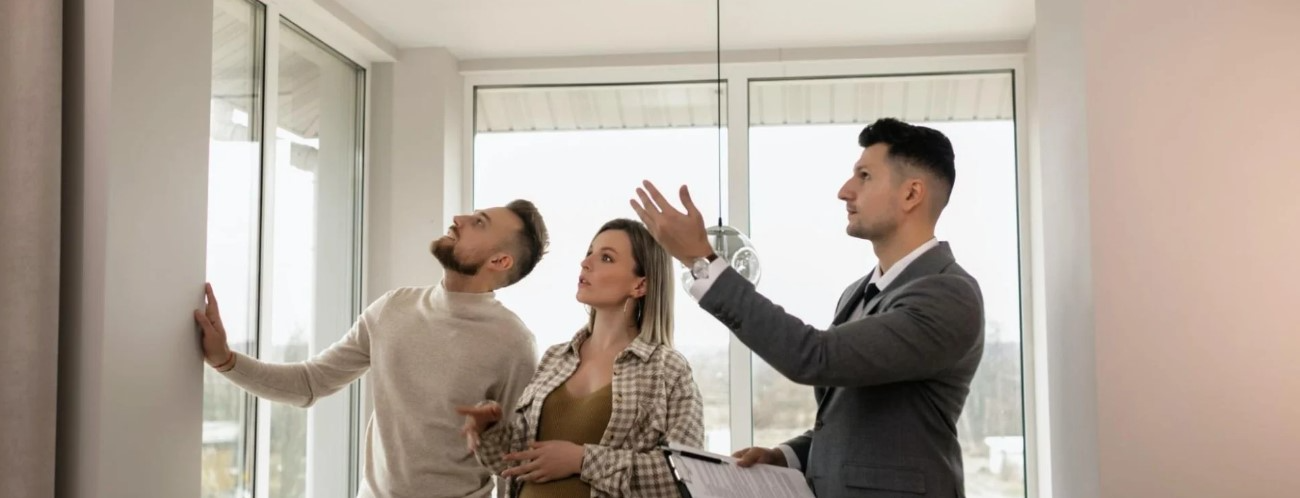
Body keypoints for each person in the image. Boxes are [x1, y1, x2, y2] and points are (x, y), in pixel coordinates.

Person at [630, 118, 985, 498]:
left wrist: (702, 261)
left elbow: (815, 357)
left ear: (912, 194)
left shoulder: (948, 294)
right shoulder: (857, 292)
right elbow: (856, 420)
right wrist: (786, 457)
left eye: (864, 176)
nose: (844, 191)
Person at [193, 200, 550, 498]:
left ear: (500, 261)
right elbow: (310, 382)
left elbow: (513, 462)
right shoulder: (393, 308)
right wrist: (225, 360)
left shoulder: (514, 343)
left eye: (478, 223)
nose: (458, 219)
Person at [458, 218, 704, 498]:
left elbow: (686, 479)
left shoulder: (668, 370)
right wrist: (489, 430)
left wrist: (581, 460)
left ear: (640, 285)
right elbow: (513, 463)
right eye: (589, 253)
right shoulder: (555, 358)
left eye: (606, 257)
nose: (586, 263)